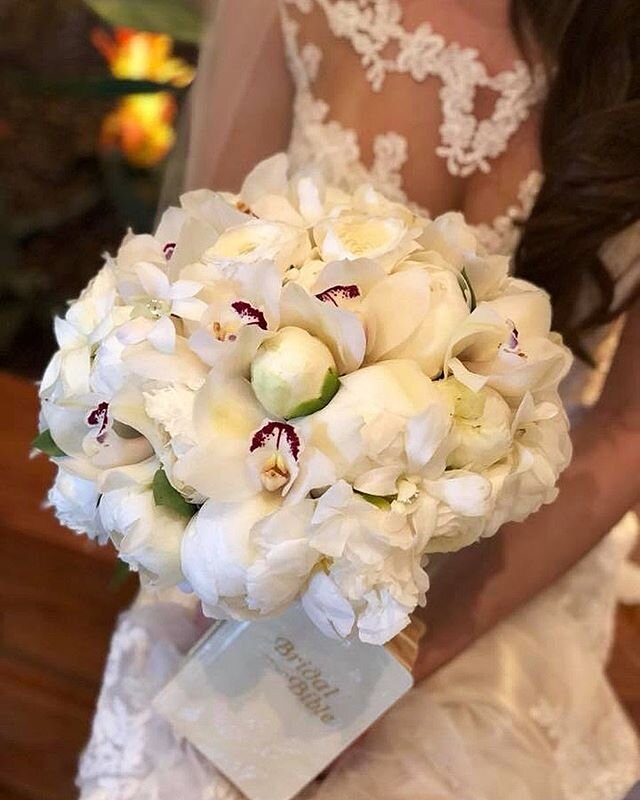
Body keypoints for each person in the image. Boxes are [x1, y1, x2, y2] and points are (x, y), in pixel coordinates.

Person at [78, 2, 640, 798]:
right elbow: (195, 300)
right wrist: (234, 560)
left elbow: (629, 428)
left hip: (518, 554)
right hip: (259, 529)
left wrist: (391, 661)